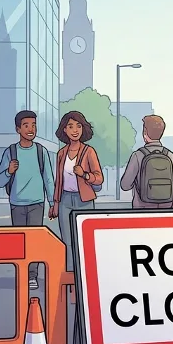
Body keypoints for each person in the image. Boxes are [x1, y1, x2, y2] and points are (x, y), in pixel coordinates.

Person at [0, 110, 55, 290]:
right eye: (26, 125)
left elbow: (48, 179)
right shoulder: (11, 152)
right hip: (17, 203)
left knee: (34, 240)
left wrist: (52, 203)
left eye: (33, 125)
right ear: (18, 129)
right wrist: (9, 171)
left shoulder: (40, 151)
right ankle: (21, 271)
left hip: (37, 203)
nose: (31, 129)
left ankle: (32, 276)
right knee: (20, 241)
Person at [49, 111, 103, 265]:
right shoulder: (61, 153)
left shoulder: (89, 151)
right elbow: (59, 181)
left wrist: (85, 175)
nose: (75, 130)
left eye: (78, 126)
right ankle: (71, 273)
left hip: (84, 200)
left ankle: (85, 271)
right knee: (67, 240)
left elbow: (99, 177)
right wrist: (56, 203)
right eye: (70, 126)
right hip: (65, 200)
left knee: (84, 238)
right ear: (64, 130)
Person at [121, 115, 173, 208]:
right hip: (166, 208)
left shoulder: (137, 155)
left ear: (145, 132)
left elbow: (125, 185)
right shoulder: (171, 156)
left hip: (142, 209)